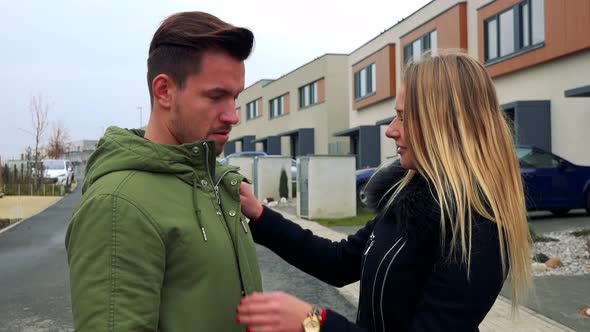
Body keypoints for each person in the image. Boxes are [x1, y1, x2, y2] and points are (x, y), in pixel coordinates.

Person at [235, 50, 532, 331]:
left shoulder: (478, 227)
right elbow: (339, 261)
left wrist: (312, 322)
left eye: (404, 116)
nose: (391, 129)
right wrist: (260, 215)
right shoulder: (409, 201)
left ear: (445, 124)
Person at [65, 11, 262, 331]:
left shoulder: (213, 184)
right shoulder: (117, 205)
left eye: (235, 98)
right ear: (164, 91)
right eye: (216, 97)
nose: (233, 116)